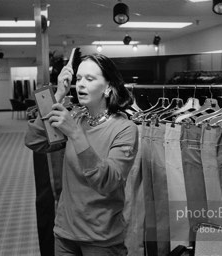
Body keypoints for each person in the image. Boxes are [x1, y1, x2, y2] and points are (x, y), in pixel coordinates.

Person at [25, 53, 139, 256]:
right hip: (65, 233)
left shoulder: (125, 128)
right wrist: (58, 94)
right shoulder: (76, 117)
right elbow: (35, 141)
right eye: (78, 79)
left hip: (101, 239)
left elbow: (107, 182)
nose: (80, 85)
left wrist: (76, 135)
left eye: (90, 79)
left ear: (108, 87)